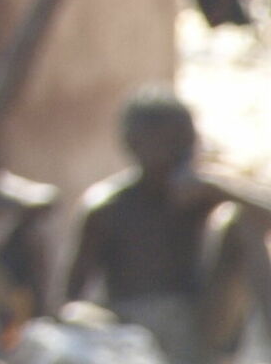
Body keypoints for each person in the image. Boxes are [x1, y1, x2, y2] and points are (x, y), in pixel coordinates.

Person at [65, 88, 271, 364]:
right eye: (169, 145)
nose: (180, 155)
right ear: (134, 144)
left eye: (185, 145)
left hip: (196, 318)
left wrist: (219, 190)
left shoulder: (197, 197)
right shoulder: (106, 208)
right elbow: (70, 298)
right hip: (131, 326)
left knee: (241, 223)